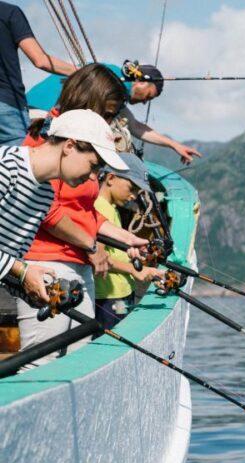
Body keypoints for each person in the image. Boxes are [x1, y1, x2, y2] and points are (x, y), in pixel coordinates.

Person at [16, 65, 147, 365]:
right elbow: (47, 211)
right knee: (42, 359)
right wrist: (91, 245)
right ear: (91, 102)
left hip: (77, 266)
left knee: (79, 356)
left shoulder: (86, 151)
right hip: (46, 264)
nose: (111, 121)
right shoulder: (47, 141)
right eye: (109, 112)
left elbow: (84, 212)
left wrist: (128, 239)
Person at [0, 109, 128, 310]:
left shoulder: (44, 196)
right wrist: (23, 271)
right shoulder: (5, 166)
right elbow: (13, 266)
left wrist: (34, 289)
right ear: (69, 146)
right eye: (93, 165)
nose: (94, 177)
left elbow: (8, 265)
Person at [26, 61, 202, 163]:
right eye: (148, 97)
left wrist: (174, 145)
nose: (144, 103)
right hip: (42, 115)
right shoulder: (114, 84)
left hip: (35, 108)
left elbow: (135, 126)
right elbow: (135, 127)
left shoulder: (114, 83)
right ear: (140, 82)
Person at [94, 152, 164, 330]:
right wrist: (135, 270)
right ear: (110, 178)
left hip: (121, 295)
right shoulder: (101, 207)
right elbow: (98, 257)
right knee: (111, 341)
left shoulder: (112, 208)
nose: (133, 195)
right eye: (131, 188)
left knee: (123, 329)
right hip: (109, 298)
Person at [0, 1, 75, 145]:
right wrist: (79, 71)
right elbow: (40, 60)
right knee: (20, 162)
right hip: (6, 105)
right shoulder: (9, 12)